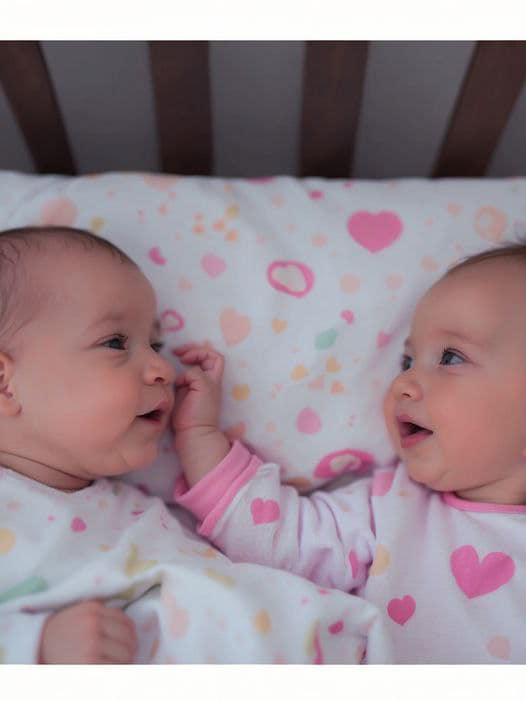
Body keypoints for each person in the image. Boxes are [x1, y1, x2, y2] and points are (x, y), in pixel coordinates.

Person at [173, 240, 526, 663]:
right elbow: (279, 538)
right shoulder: (389, 510)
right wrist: (199, 434)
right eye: (407, 361)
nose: (403, 383)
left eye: (450, 357)